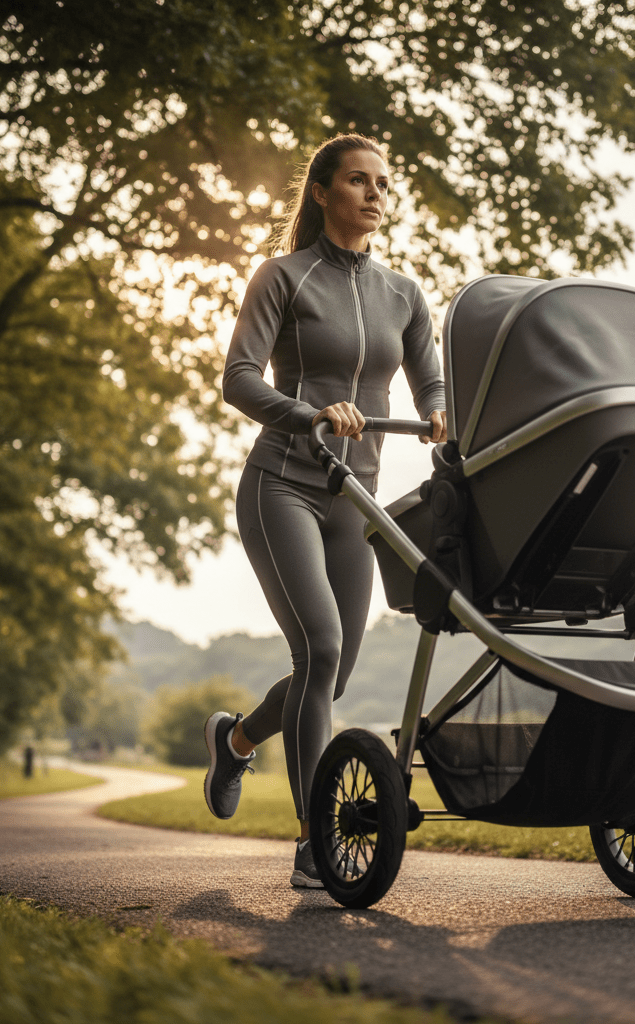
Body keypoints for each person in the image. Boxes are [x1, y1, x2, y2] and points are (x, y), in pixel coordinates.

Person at [203, 134, 446, 888]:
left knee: (331, 675)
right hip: (283, 485)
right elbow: (238, 379)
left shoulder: (404, 292)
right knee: (323, 650)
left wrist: (441, 416)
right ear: (321, 192)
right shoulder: (282, 276)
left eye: (383, 183)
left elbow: (432, 384)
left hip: (356, 499)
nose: (375, 195)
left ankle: (237, 740)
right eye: (357, 181)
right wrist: (307, 413)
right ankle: (315, 841)